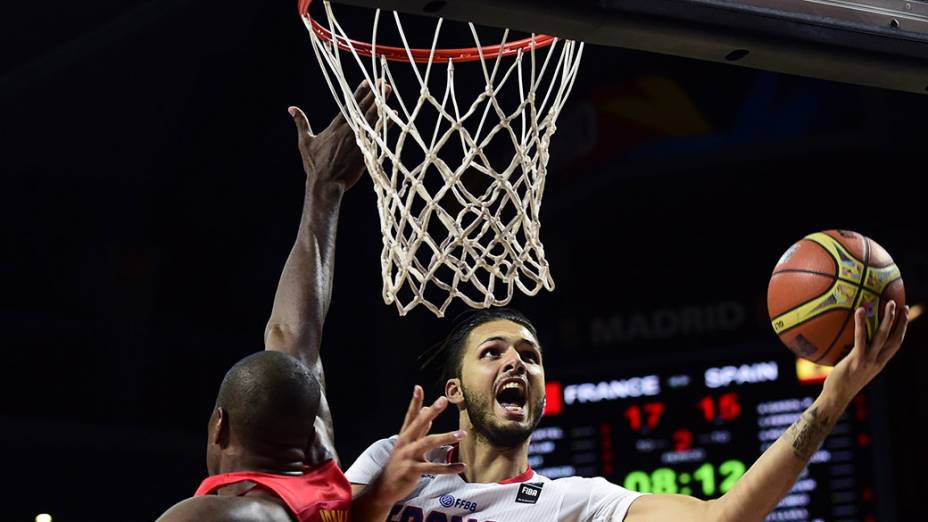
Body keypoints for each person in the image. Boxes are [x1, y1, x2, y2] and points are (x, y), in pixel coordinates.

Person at [156, 82, 466, 522]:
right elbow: (291, 339)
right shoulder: (325, 484)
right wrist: (325, 189)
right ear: (311, 433)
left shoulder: (213, 515)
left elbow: (291, 342)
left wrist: (325, 187)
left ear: (219, 426)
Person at [346, 304, 908, 522]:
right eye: (492, 352)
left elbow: (724, 518)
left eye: (530, 356)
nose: (516, 362)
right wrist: (376, 499)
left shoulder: (575, 502)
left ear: (542, 394)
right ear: (457, 390)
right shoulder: (391, 463)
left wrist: (832, 400)